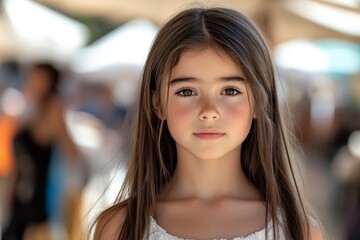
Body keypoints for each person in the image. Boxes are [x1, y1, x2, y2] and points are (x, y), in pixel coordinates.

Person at [92, 7, 323, 240]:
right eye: (187, 91)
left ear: (258, 102)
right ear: (157, 104)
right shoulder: (118, 228)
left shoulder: (299, 232)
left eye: (230, 90)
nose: (209, 111)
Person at [2, 63, 79, 240]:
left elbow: (72, 152)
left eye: (40, 77)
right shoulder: (28, 105)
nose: (34, 81)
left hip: (39, 200)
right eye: (33, 76)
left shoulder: (53, 108)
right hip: (21, 196)